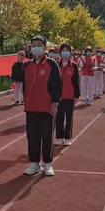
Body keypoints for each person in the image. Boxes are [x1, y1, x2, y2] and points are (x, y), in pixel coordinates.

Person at [23, 35, 62, 177]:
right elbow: (18, 80)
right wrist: (17, 61)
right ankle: (34, 163)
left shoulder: (51, 64)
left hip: (46, 107)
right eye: (33, 45)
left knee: (46, 136)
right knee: (32, 137)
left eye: (38, 45)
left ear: (45, 47)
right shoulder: (27, 65)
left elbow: (57, 86)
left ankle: (47, 163)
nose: (35, 47)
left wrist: (55, 104)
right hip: (31, 107)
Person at [55, 43, 80, 146]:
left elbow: (76, 81)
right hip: (58, 96)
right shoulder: (56, 65)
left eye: (67, 50)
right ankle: (60, 137)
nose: (65, 52)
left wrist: (76, 95)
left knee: (69, 118)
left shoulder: (73, 65)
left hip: (70, 95)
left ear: (70, 52)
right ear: (60, 52)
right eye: (63, 50)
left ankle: (68, 137)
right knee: (59, 117)